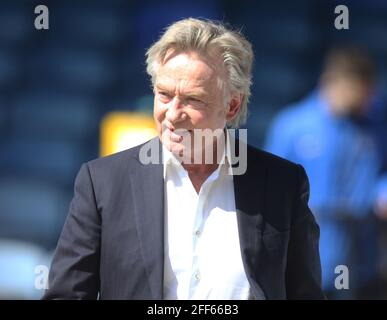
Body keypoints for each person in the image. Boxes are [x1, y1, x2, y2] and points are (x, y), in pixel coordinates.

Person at [43, 18, 324, 300]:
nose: (173, 114)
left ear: (232, 105)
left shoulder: (283, 185)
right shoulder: (102, 183)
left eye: (193, 100)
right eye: (164, 95)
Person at [265, 46, 386, 299]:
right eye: (362, 92)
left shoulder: (374, 127)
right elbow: (269, 186)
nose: (368, 99)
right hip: (307, 248)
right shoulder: (292, 125)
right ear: (336, 83)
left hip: (359, 251)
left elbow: (381, 176)